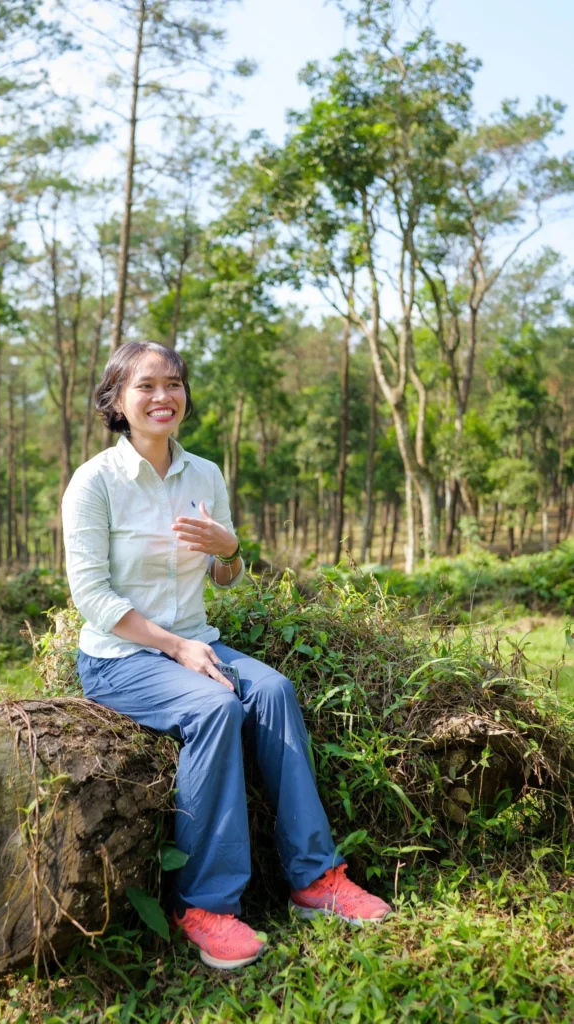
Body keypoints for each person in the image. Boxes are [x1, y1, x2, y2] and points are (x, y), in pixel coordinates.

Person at [61, 341, 392, 971]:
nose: (163, 396)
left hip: (197, 640)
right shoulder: (94, 482)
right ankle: (206, 905)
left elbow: (227, 580)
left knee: (274, 691)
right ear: (117, 401)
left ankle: (315, 877)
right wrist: (174, 646)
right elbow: (91, 597)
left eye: (174, 383)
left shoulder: (204, 474)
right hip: (120, 657)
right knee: (215, 708)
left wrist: (230, 550)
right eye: (146, 386)